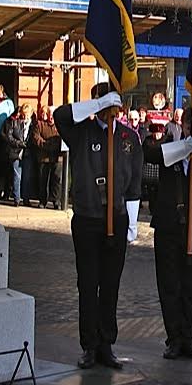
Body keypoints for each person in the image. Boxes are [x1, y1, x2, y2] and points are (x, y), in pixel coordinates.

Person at [54, 85, 143, 369]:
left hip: (116, 219)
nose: (111, 109)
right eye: (105, 103)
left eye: (113, 102)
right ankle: (89, 345)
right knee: (88, 283)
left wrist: (131, 222)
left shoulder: (129, 138)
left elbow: (134, 182)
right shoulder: (82, 132)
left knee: (111, 284)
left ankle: (107, 343)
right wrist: (92, 106)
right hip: (88, 218)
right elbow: (60, 116)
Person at [143, 117, 192, 362]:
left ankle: (190, 339)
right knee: (169, 284)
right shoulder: (172, 148)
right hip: (169, 225)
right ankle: (174, 339)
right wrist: (180, 145)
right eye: (189, 127)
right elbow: (149, 153)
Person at [32, 106, 63, 209]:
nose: (51, 118)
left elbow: (61, 139)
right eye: (50, 115)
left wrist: (53, 146)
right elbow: (36, 138)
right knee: (43, 180)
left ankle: (56, 201)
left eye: (53, 116)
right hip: (43, 157)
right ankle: (42, 201)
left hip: (57, 158)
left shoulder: (60, 126)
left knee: (57, 181)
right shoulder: (40, 125)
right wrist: (46, 145)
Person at [1, 105, 29, 205]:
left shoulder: (29, 123)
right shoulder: (12, 121)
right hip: (15, 151)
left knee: (25, 176)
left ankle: (24, 198)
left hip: (26, 152)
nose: (22, 116)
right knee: (17, 175)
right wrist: (19, 144)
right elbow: (9, 136)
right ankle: (17, 198)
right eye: (21, 114)